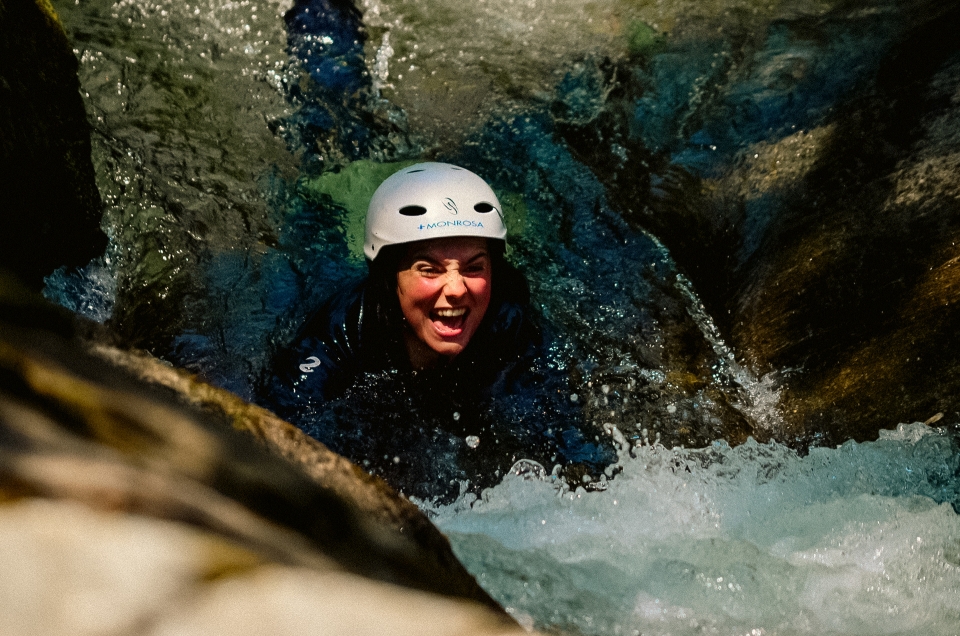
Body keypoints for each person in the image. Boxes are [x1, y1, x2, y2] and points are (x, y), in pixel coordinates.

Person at [263, 162, 614, 502]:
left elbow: (566, 430)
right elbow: (275, 433)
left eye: (474, 267)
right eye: (429, 269)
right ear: (389, 278)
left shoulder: (510, 327)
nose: (457, 288)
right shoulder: (341, 332)